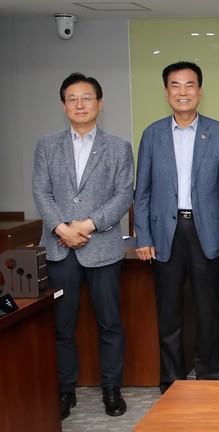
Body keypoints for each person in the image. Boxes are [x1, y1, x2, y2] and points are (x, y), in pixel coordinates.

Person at [32, 73, 134, 419]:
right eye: (72, 99)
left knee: (110, 322)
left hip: (102, 248)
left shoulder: (118, 147)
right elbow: (41, 191)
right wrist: (61, 228)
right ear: (64, 105)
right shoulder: (47, 145)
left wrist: (87, 224)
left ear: (99, 104)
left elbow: (124, 195)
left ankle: (111, 388)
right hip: (60, 248)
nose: (80, 104)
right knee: (62, 324)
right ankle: (65, 390)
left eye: (86, 98)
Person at [134, 61, 219, 394]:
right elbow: (142, 191)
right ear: (166, 93)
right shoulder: (152, 134)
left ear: (199, 92)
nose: (183, 92)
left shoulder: (218, 133)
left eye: (189, 85)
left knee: (209, 309)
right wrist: (143, 236)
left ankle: (211, 376)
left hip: (206, 232)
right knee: (169, 311)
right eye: (175, 86)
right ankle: (171, 380)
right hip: (166, 233)